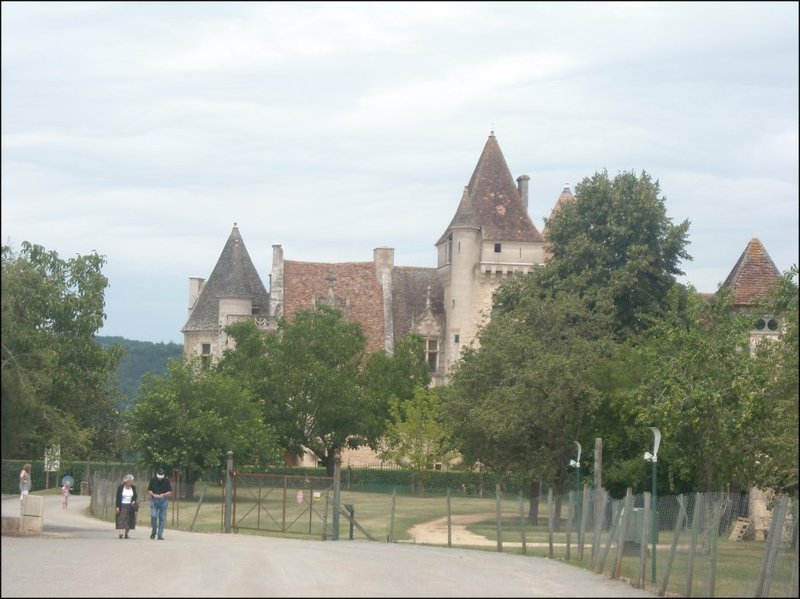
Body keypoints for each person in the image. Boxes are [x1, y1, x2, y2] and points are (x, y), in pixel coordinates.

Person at [147, 467, 172, 540]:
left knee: (162, 518)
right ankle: (154, 531)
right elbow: (149, 490)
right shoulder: (152, 480)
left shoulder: (167, 481)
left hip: (163, 500)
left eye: (161, 477)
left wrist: (163, 494)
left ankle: (160, 534)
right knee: (153, 516)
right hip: (154, 500)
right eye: (159, 477)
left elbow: (170, 491)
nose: (160, 478)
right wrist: (153, 495)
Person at [115, 474, 138, 539]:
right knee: (121, 519)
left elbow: (135, 496)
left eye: (131, 481)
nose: (130, 482)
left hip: (130, 505)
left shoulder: (133, 487)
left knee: (129, 519)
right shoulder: (121, 487)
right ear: (126, 481)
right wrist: (117, 507)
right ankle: (121, 533)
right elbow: (118, 497)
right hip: (122, 504)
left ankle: (126, 534)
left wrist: (133, 500)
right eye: (129, 481)